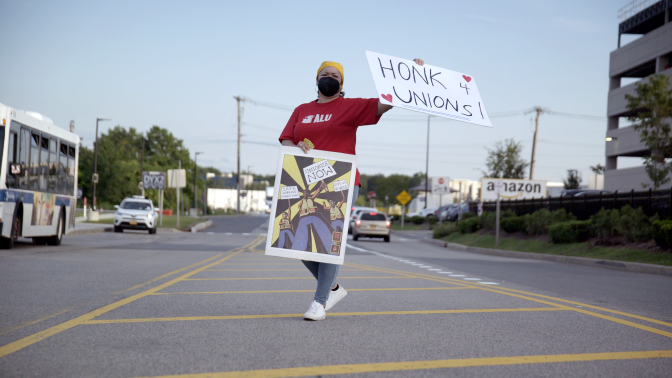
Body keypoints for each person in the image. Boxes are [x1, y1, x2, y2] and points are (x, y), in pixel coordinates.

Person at [279, 58, 424, 321]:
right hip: (305, 182)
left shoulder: (350, 106)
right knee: (297, 242)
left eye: (335, 74)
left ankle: (319, 303)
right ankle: (333, 289)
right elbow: (287, 138)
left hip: (341, 181)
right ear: (316, 79)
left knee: (329, 241)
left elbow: (385, 103)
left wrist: (408, 76)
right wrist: (296, 148)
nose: (330, 77)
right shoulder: (302, 110)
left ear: (342, 83)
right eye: (325, 73)